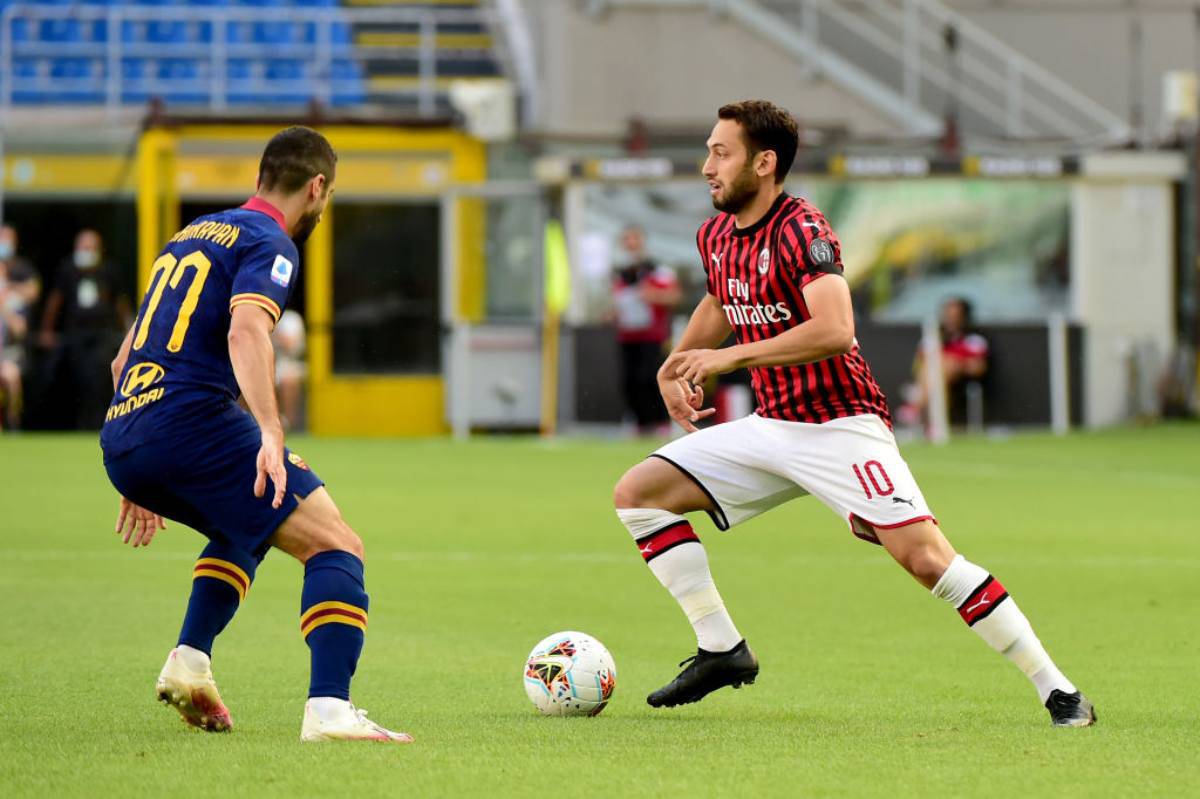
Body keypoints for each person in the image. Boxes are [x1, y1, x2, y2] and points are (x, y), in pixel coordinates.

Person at [611, 100, 1094, 727]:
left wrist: (725, 362)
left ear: (764, 163)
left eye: (720, 153)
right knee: (638, 495)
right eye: (708, 150)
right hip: (771, 427)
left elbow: (836, 329)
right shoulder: (716, 235)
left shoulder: (802, 229)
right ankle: (722, 649)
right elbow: (721, 299)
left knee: (925, 559)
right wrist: (675, 364)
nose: (707, 166)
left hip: (842, 426)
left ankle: (1058, 690)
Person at [101, 126, 411, 743]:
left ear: (260, 177)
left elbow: (122, 359)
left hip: (126, 430)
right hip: (189, 423)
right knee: (336, 545)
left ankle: (190, 661)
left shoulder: (191, 235)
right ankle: (330, 710)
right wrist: (270, 429)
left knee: (247, 522)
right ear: (317, 187)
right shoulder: (272, 241)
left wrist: (138, 457)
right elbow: (248, 331)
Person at [39, 228, 132, 429]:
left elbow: (120, 303)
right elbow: (56, 301)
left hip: (102, 334)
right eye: (83, 246)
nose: (87, 251)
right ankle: (79, 423)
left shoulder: (109, 270)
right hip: (76, 334)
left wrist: (129, 332)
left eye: (91, 247)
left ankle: (99, 422)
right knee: (77, 377)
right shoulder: (67, 270)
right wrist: (47, 329)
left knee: (99, 378)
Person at [610, 225, 681, 434]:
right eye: (627, 239)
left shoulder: (658, 270)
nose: (631, 244)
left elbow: (674, 296)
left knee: (650, 377)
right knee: (630, 380)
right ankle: (639, 423)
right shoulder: (621, 273)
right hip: (627, 336)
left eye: (634, 239)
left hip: (653, 336)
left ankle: (661, 423)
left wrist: (652, 296)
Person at [897, 296, 989, 428]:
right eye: (948, 315)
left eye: (956, 316)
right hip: (936, 381)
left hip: (962, 383)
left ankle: (915, 404)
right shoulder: (934, 338)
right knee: (936, 371)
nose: (951, 319)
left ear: (964, 317)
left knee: (945, 364)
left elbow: (979, 368)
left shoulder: (974, 339)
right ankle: (930, 422)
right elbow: (919, 365)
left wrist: (955, 363)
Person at [0, 224, 40, 429]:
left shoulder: (14, 298)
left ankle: (13, 423)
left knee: (12, 375)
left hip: (7, 354)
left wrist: (3, 307)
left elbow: (20, 329)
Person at [273, 309, 307, 431]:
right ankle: (252, 422)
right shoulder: (257, 314)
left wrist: (271, 330)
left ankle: (288, 424)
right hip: (267, 363)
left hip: (289, 362)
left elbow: (291, 346)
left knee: (289, 379)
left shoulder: (291, 318)